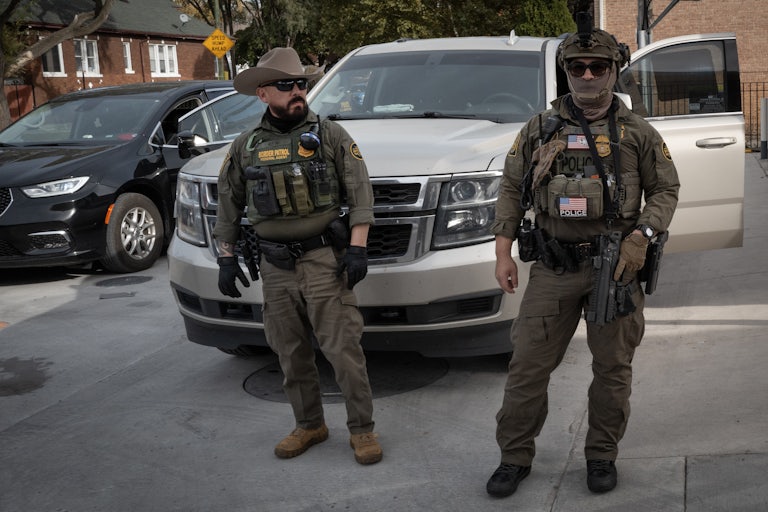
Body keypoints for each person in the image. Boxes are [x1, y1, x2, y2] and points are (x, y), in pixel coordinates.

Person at [486, 23, 680, 497]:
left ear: (614, 71)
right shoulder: (539, 128)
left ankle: (601, 455)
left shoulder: (637, 132)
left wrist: (644, 234)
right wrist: (502, 251)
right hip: (553, 268)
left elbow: (665, 189)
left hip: (614, 269)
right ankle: (514, 457)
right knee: (528, 367)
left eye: (598, 66)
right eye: (578, 66)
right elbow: (511, 187)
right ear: (566, 72)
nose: (588, 74)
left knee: (612, 370)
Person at [213, 47, 382, 465]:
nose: (297, 91)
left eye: (301, 84)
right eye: (286, 85)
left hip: (324, 261)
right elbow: (229, 206)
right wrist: (226, 258)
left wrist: (357, 249)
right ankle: (309, 425)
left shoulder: (330, 136)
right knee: (289, 352)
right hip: (274, 267)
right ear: (263, 94)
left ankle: (362, 430)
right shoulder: (245, 146)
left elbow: (361, 196)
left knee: (343, 351)